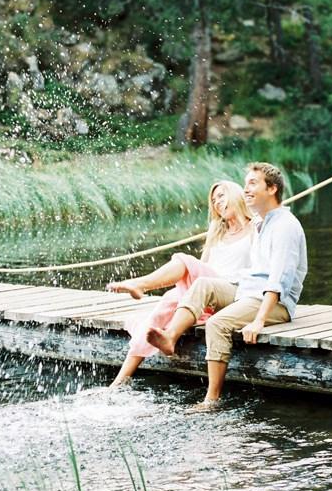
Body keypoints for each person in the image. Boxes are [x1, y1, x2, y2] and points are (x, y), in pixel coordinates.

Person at [145, 162, 307, 412]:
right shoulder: (262, 223)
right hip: (247, 293)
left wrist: (259, 321)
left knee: (216, 324)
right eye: (245, 184)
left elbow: (279, 280)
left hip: (275, 303)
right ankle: (170, 336)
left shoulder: (285, 225)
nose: (246, 189)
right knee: (204, 284)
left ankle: (211, 400)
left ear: (272, 188)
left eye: (253, 183)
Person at [105, 180, 255, 388]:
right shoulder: (217, 231)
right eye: (214, 200)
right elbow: (204, 266)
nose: (218, 202)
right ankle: (118, 382)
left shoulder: (255, 228)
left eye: (221, 196)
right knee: (167, 303)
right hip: (206, 290)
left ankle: (141, 284)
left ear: (236, 194)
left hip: (233, 292)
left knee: (184, 260)